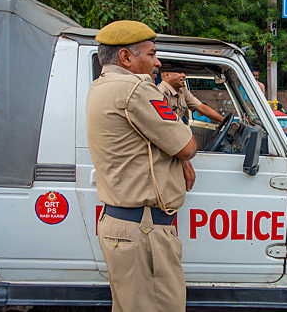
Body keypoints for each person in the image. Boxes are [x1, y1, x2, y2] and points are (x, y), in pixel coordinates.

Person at [85, 20, 198, 312]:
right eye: (151, 53)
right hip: (144, 231)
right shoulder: (136, 89)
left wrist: (179, 157)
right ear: (126, 57)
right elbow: (187, 145)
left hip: (121, 224)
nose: (157, 61)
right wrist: (182, 157)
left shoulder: (100, 86)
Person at [157, 71, 224, 124]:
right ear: (167, 75)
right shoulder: (160, 93)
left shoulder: (182, 90)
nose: (184, 75)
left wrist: (224, 121)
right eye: (179, 72)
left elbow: (201, 107)